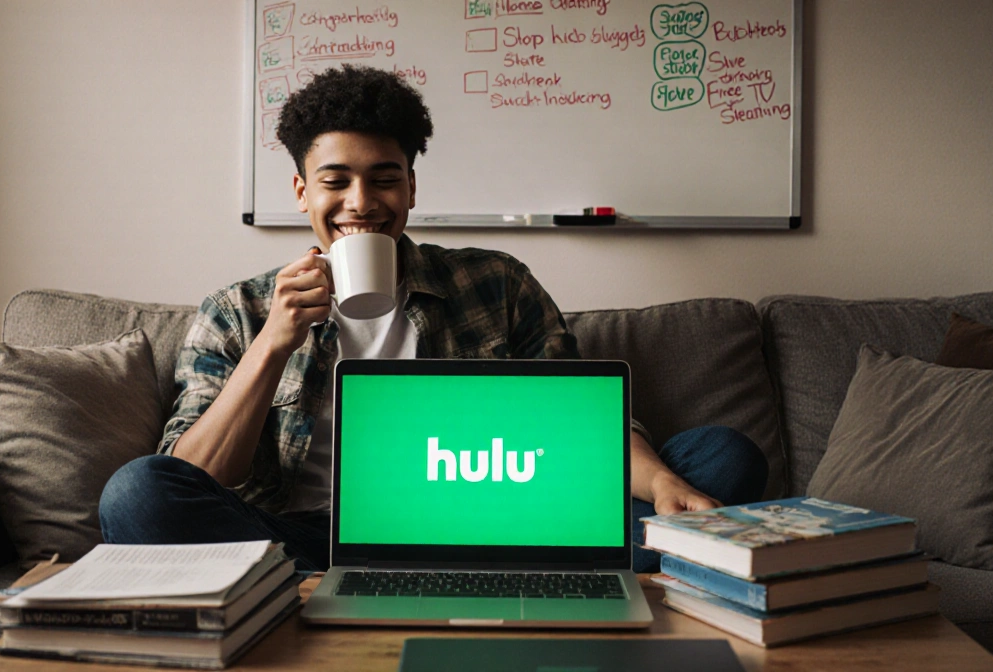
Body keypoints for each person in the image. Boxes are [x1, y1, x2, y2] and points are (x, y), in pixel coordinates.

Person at [99, 65, 766, 573]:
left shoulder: (494, 282)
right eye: (335, 180)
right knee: (136, 497)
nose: (361, 203)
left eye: (384, 178)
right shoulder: (239, 310)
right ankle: (451, 578)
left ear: (411, 188)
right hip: (307, 538)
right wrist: (274, 344)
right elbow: (189, 476)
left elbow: (584, 425)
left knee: (723, 459)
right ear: (301, 191)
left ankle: (452, 571)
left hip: (493, 520)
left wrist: (664, 483)